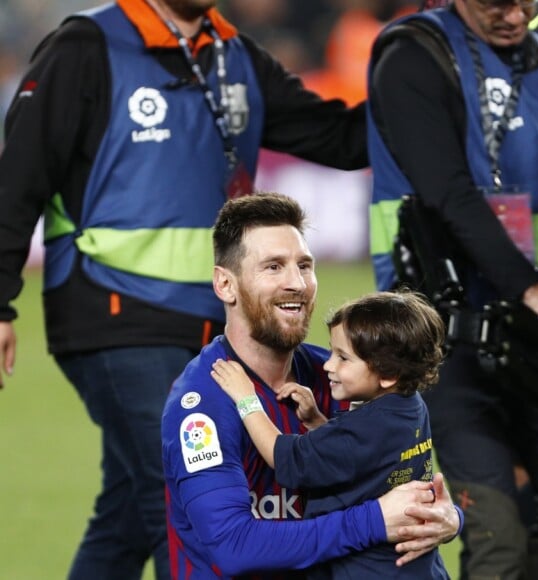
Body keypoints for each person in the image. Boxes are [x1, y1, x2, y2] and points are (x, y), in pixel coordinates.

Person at [0, 1, 377, 578]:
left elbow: (340, 138)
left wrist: (421, 93)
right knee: (178, 493)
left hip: (209, 321)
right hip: (114, 309)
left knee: (128, 509)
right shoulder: (86, 46)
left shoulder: (233, 55)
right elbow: (18, 175)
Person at [367, 0, 538, 578]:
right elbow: (448, 192)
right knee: (496, 528)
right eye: (495, 3)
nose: (514, 14)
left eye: (525, 1)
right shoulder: (412, 55)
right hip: (448, 334)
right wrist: (533, 291)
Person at [161, 192, 462, 578]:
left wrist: (447, 518)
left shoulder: (343, 377)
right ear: (225, 285)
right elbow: (234, 547)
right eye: (273, 267)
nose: (297, 283)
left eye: (304, 265)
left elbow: (398, 478)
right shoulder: (203, 403)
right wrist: (373, 521)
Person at [210, 289, 450, 579]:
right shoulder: (410, 406)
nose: (328, 366)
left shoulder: (365, 428)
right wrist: (317, 422)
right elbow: (362, 459)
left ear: (388, 374)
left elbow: (282, 455)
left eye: (343, 358)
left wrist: (247, 400)